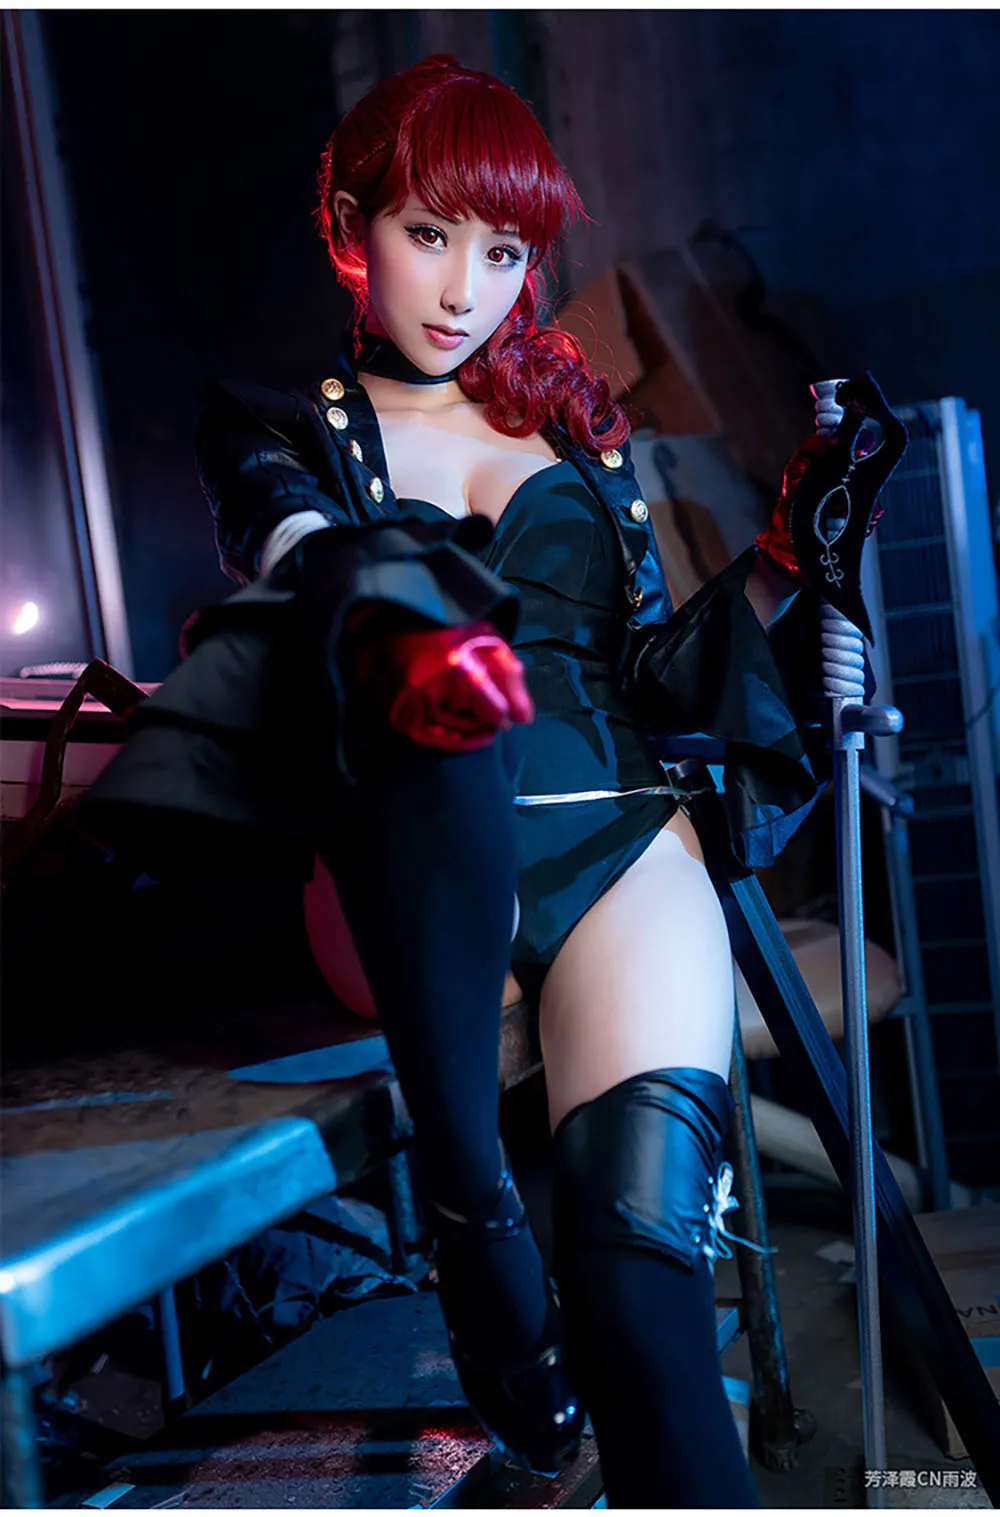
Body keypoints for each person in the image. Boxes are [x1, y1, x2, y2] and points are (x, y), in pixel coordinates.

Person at [79, 53, 864, 1508]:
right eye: (428, 234)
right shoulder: (278, 426)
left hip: (618, 848)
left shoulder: (570, 433)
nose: (464, 290)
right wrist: (374, 599)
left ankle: (521, 1270)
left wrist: (786, 556)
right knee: (408, 665)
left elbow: (651, 679)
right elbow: (297, 551)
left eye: (502, 251)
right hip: (408, 854)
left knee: (639, 1281)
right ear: (349, 228)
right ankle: (470, 1214)